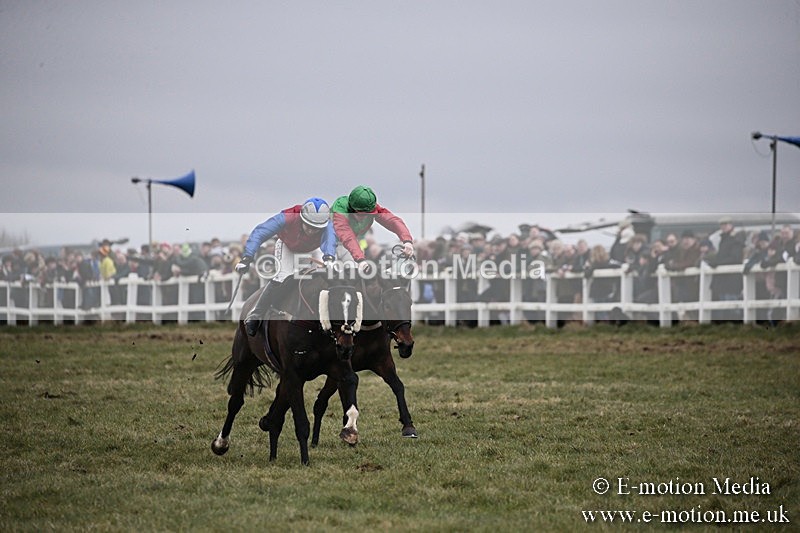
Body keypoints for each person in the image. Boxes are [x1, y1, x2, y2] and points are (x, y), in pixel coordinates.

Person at [235, 197, 336, 336]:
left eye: (316, 229)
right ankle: (256, 314)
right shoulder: (288, 217)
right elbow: (260, 232)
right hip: (288, 246)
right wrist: (247, 257)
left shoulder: (327, 225)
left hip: (313, 249)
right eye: (309, 226)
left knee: (326, 278)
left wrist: (329, 258)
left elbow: (330, 241)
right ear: (302, 219)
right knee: (283, 277)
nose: (312, 231)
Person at [331, 185, 414, 268]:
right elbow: (347, 236)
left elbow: (392, 221)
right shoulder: (340, 210)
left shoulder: (372, 208)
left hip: (352, 245)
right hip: (331, 244)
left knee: (355, 268)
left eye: (367, 214)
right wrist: (360, 259)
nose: (364, 217)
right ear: (352, 209)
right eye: (361, 214)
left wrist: (407, 241)